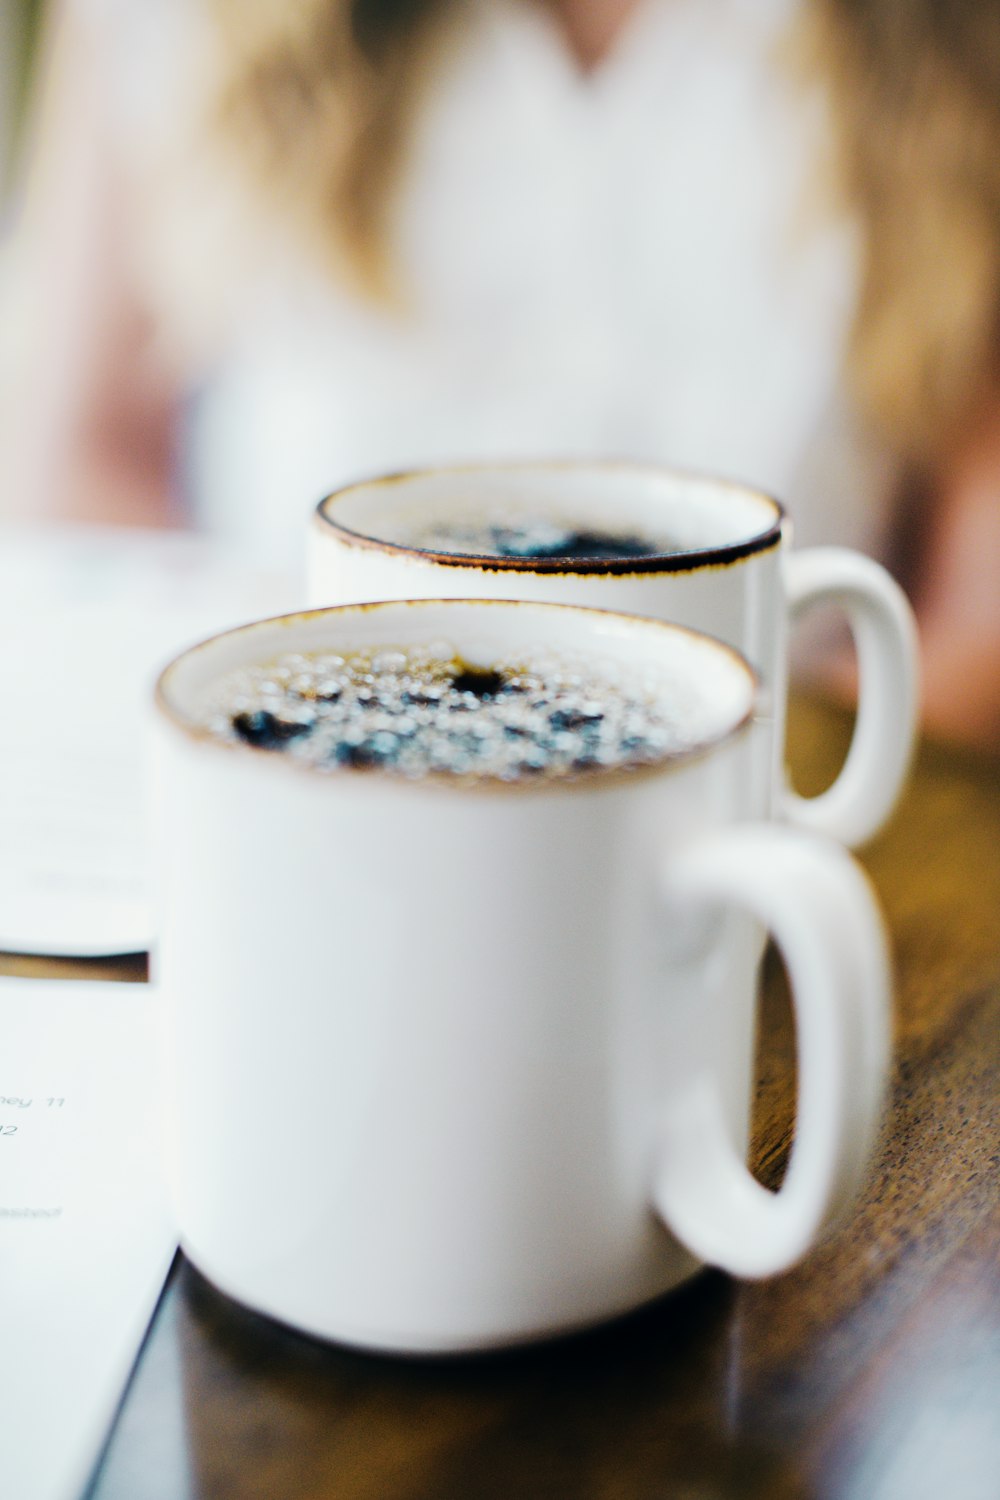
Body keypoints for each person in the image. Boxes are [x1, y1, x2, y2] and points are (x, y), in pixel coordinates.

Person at [2, 0, 999, 750]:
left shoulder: (948, 42)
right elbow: (80, 465)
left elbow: (978, 617)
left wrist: (700, 791)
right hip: (301, 792)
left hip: (767, 830)